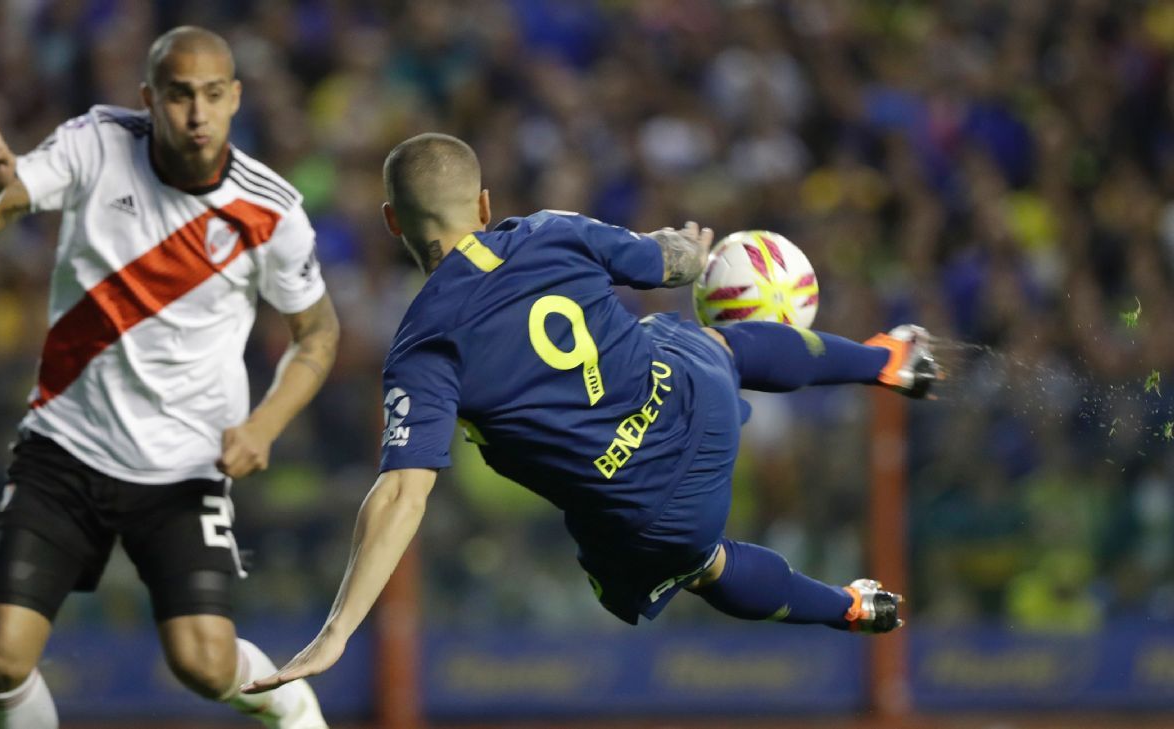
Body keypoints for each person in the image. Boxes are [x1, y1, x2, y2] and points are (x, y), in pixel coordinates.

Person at [243, 132, 938, 694]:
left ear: (394, 221)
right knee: (708, 340)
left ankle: (850, 606)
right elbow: (671, 262)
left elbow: (401, 491)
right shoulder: (550, 230)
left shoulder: (424, 346)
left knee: (705, 564)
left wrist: (337, 630)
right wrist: (692, 252)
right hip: (699, 396)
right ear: (484, 205)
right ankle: (886, 361)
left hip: (651, 509)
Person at [0, 26, 336, 729]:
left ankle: (286, 696)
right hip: (65, 447)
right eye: (180, 95)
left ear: (235, 99)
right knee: (0, 655)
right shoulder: (94, 143)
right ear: (149, 98)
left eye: (213, 95)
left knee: (204, 665)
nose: (196, 114)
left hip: (185, 464)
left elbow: (319, 333)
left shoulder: (271, 209)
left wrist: (266, 424)